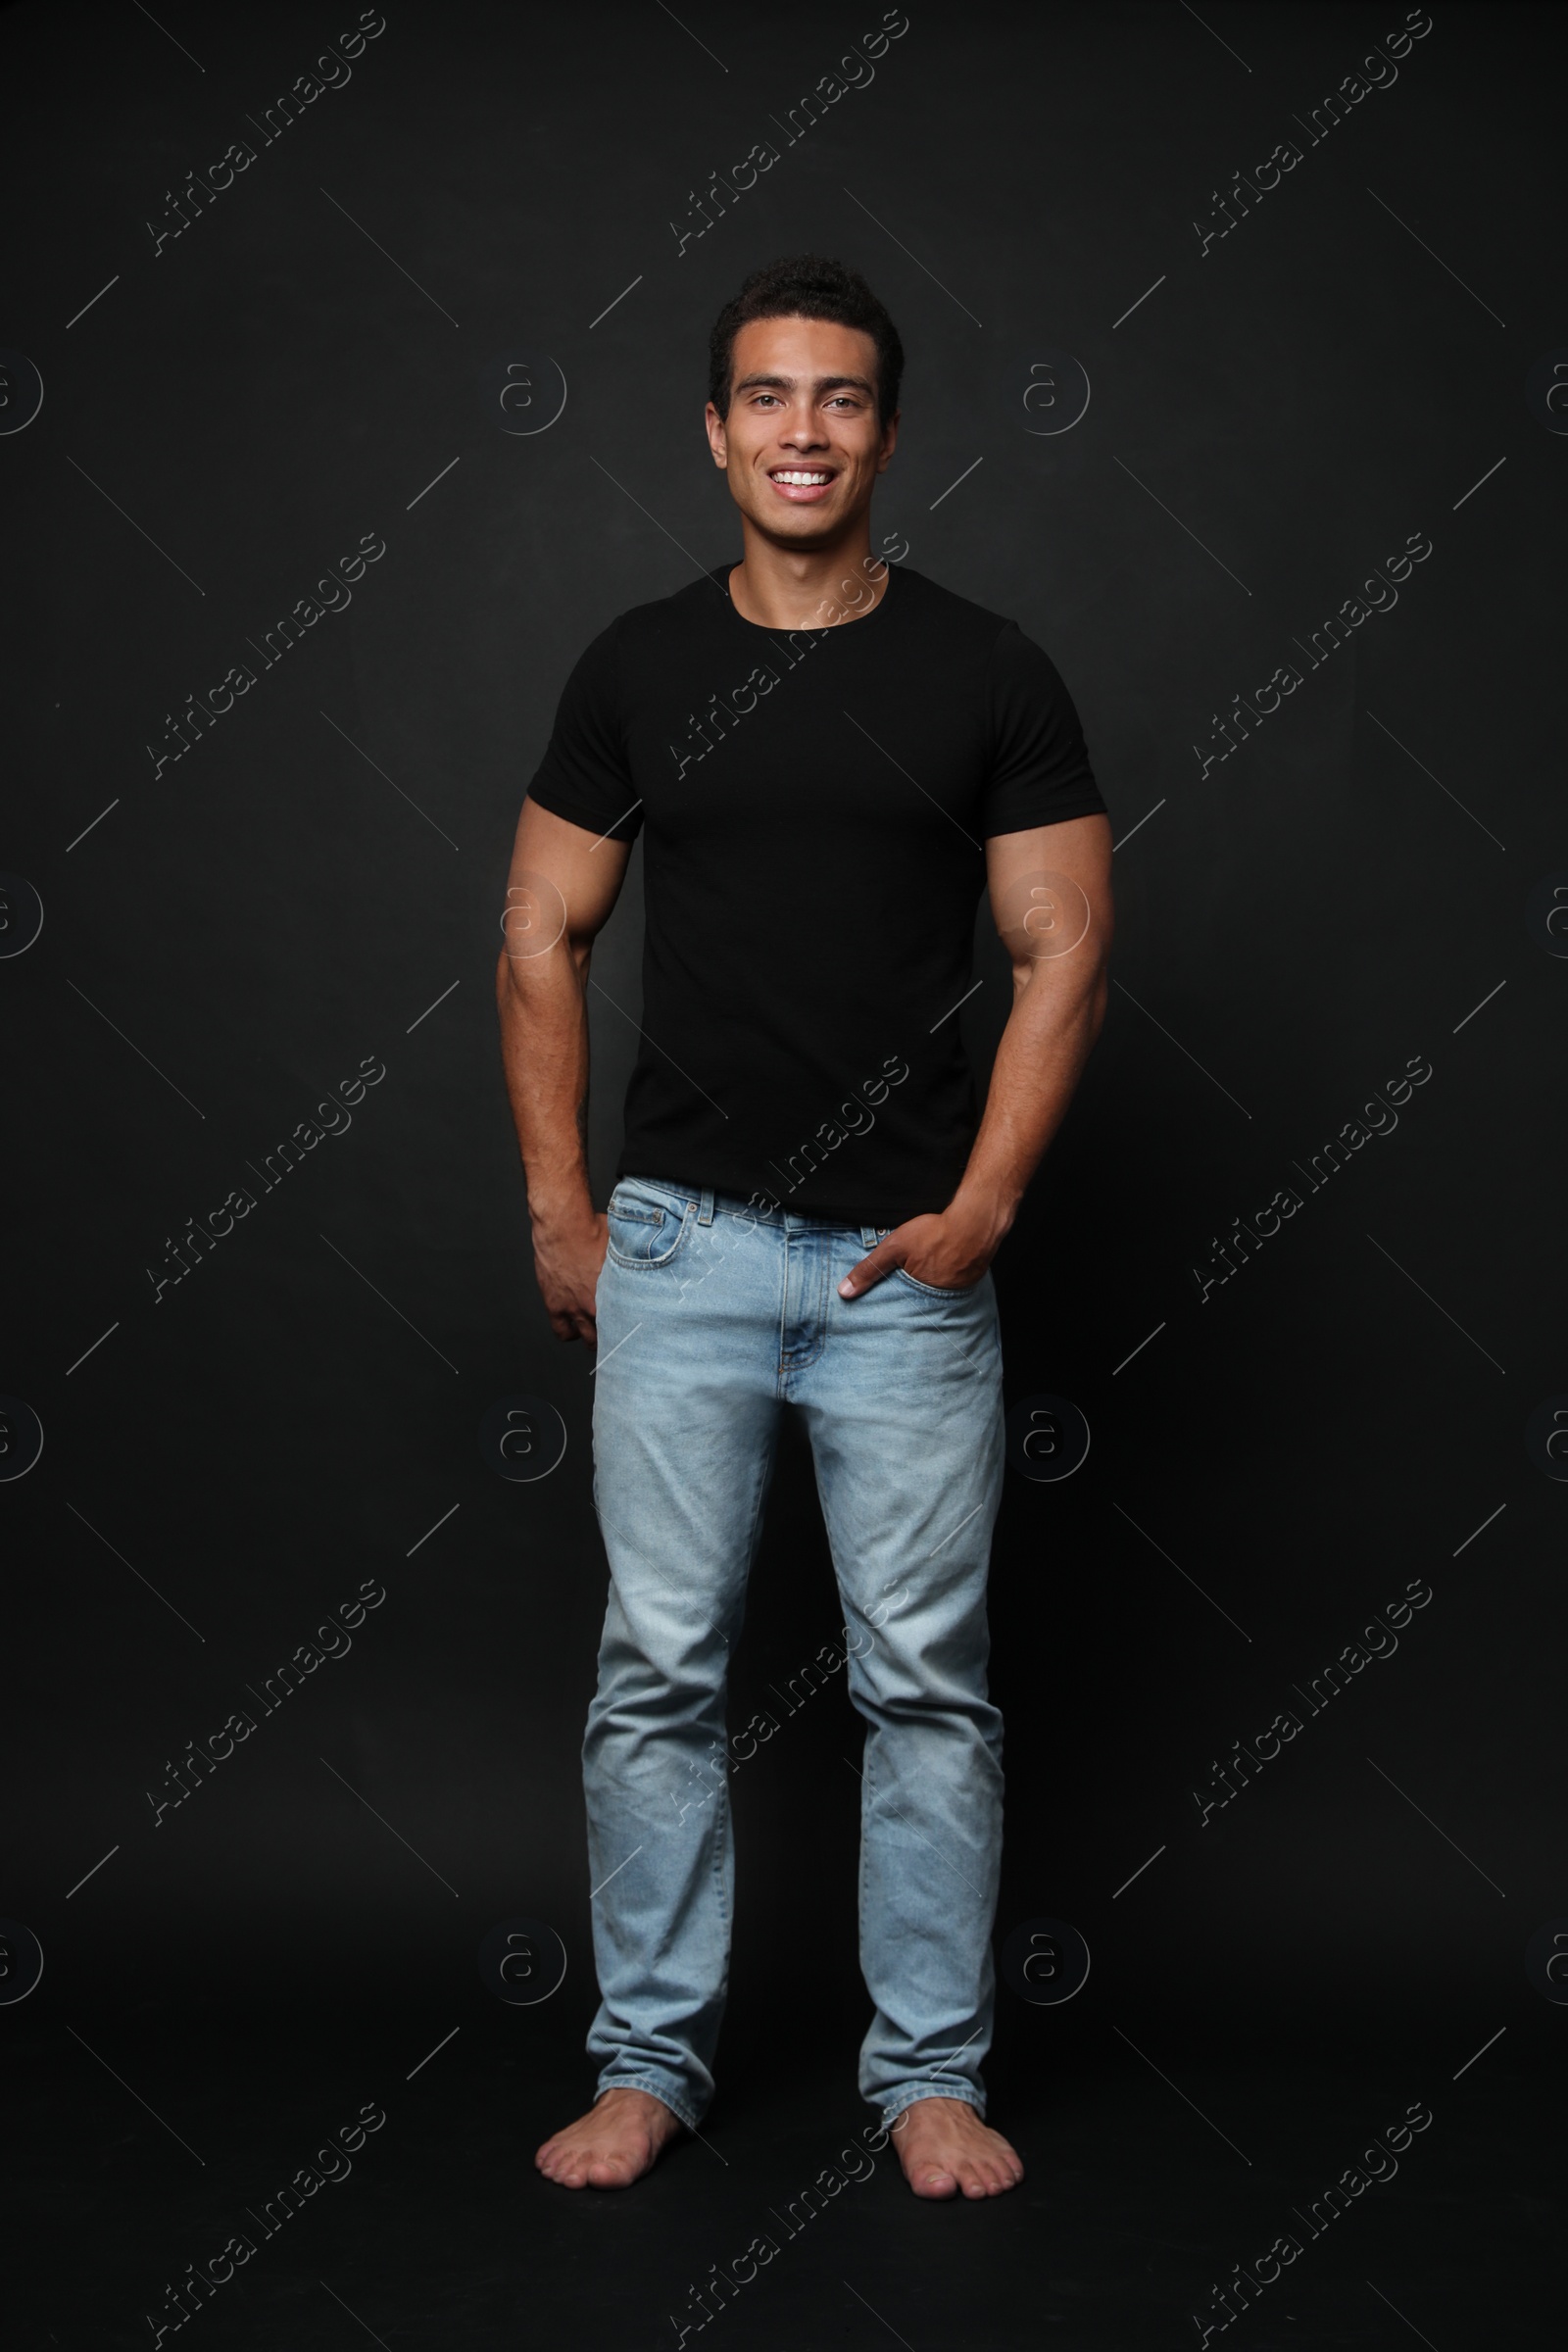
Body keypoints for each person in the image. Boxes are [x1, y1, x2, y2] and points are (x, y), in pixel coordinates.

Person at [496, 254, 1113, 2201]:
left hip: (892, 1277)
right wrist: (560, 1213)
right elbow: (537, 935)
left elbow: (1061, 943)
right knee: (654, 1679)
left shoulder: (985, 670)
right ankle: (649, 2064)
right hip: (677, 1250)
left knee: (923, 1687)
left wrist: (982, 1209)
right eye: (765, 397)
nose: (800, 431)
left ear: (885, 430)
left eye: (838, 399)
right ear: (712, 429)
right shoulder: (634, 668)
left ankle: (926, 2077)